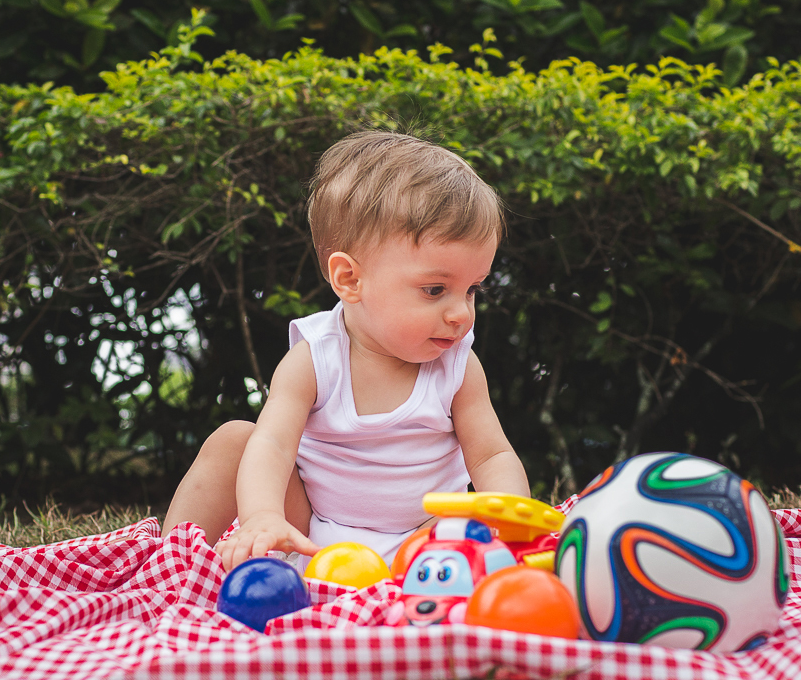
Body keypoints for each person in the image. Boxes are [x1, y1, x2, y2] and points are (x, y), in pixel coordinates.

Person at [162, 131, 530, 570]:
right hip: (311, 535)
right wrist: (263, 516)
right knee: (235, 441)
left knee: (465, 523)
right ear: (350, 280)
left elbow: (492, 455)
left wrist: (510, 523)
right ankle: (171, 567)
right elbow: (274, 445)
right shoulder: (315, 359)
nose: (460, 314)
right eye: (436, 290)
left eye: (472, 290)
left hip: (423, 546)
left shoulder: (457, 366)